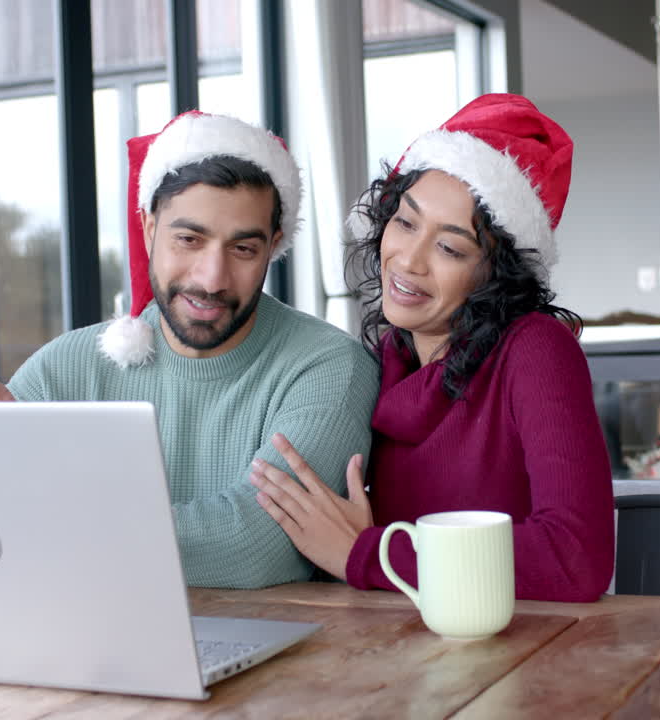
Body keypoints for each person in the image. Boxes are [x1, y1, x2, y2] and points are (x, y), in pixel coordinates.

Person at [0, 111, 379, 589]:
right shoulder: (64, 368)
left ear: (274, 245)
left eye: (242, 249)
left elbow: (258, 545)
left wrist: (55, 520)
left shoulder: (328, 368)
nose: (211, 278)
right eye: (189, 239)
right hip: (84, 646)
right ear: (148, 229)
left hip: (281, 656)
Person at [248, 93, 615, 602]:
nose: (410, 260)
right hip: (402, 653)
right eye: (404, 222)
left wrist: (369, 552)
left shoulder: (535, 350)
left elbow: (576, 557)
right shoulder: (382, 364)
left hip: (526, 659)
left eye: (449, 247)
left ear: (496, 272)